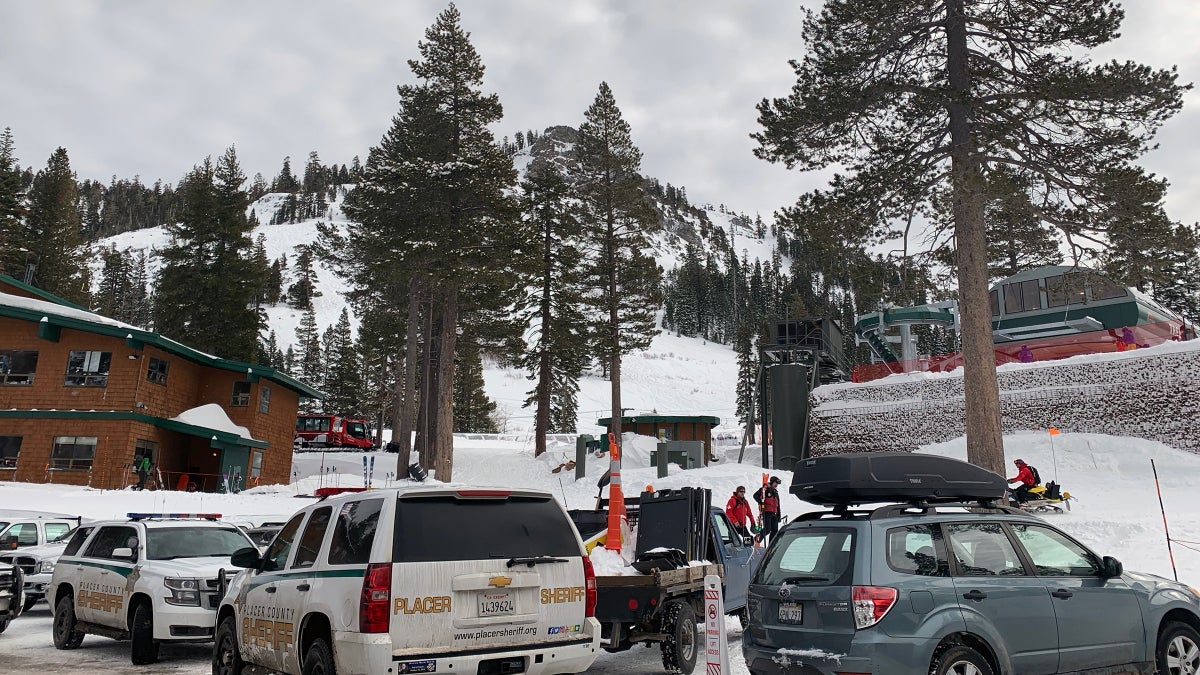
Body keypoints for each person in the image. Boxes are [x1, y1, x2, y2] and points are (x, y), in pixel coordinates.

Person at [753, 476, 783, 545]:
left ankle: (771, 545)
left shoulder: (775, 492)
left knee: (775, 531)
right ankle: (757, 538)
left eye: (777, 484)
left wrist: (778, 515)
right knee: (767, 530)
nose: (776, 485)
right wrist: (760, 502)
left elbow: (778, 504)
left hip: (774, 513)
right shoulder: (765, 489)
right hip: (766, 513)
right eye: (775, 483)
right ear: (772, 482)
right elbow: (755, 495)